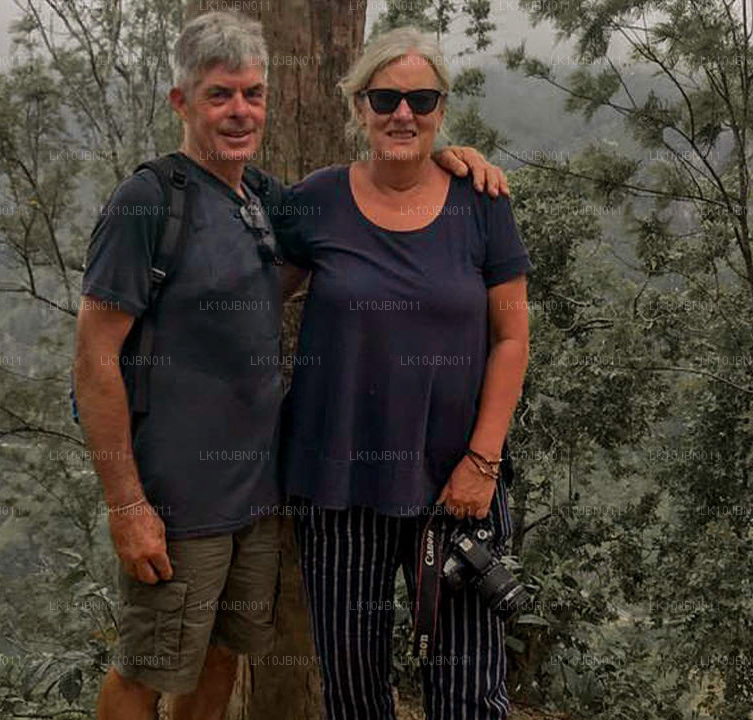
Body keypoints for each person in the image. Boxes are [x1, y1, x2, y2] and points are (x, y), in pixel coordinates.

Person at [73, 12, 508, 720]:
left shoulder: (266, 201)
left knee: (221, 655)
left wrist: (454, 158)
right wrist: (127, 504)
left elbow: (383, 209)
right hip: (178, 494)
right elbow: (94, 357)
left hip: (258, 495)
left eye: (253, 93)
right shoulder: (150, 202)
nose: (239, 111)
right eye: (219, 95)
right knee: (149, 666)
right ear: (181, 102)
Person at [277, 26, 532, 720]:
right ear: (359, 105)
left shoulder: (482, 203)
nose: (403, 114)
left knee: (470, 692)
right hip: (338, 487)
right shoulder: (317, 201)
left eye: (421, 100)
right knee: (354, 693)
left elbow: (512, 338)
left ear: (441, 109)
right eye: (385, 98)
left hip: (458, 485)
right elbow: (246, 293)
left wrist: (482, 462)